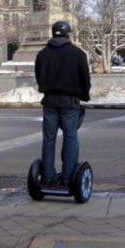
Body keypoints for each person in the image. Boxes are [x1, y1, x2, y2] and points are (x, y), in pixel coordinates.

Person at [35, 20, 91, 186]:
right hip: (70, 102)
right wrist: (85, 95)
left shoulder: (42, 54)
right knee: (70, 137)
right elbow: (85, 79)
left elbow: (39, 76)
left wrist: (45, 88)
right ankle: (67, 177)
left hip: (50, 101)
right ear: (68, 34)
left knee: (49, 138)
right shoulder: (78, 54)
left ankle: (47, 176)